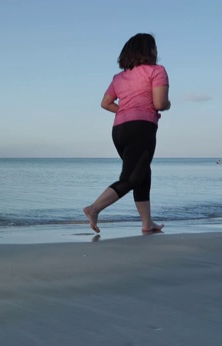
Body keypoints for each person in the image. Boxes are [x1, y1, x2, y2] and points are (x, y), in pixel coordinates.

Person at [83, 33, 171, 233]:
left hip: (119, 130)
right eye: (154, 47)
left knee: (142, 173)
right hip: (142, 128)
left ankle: (147, 223)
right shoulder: (157, 71)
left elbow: (105, 103)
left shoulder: (119, 77)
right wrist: (168, 104)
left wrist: (126, 110)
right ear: (148, 50)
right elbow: (159, 103)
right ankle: (94, 208)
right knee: (131, 178)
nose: (157, 52)